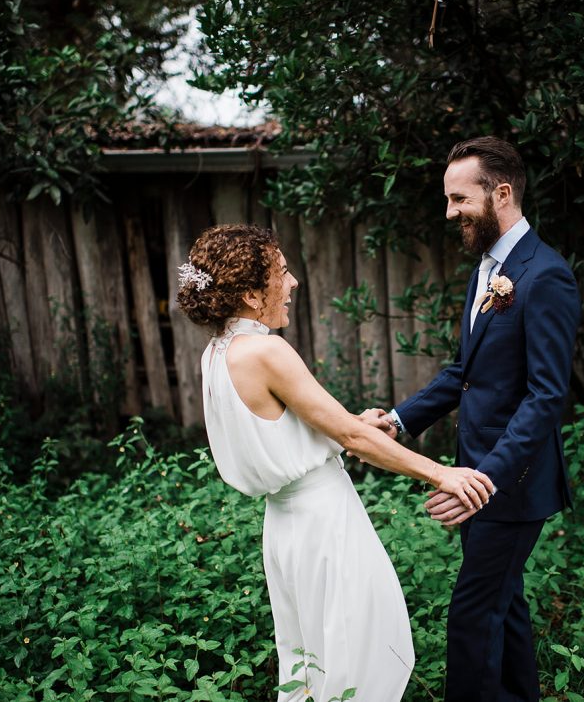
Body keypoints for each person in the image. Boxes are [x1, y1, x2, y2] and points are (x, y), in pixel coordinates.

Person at [176, 223, 495, 702]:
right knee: (359, 655)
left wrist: (352, 424)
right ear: (248, 294)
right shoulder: (266, 350)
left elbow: (303, 426)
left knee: (310, 662)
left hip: (284, 528)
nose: (293, 282)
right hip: (324, 522)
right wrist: (441, 472)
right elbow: (348, 436)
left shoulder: (217, 354)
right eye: (281, 273)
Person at [375, 136, 582, 701]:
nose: (450, 213)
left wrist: (481, 483)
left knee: (472, 614)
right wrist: (396, 420)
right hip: (480, 477)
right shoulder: (489, 270)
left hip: (508, 483)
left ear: (503, 193)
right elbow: (465, 372)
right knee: (502, 606)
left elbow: (544, 397)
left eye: (459, 199)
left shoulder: (545, 276)